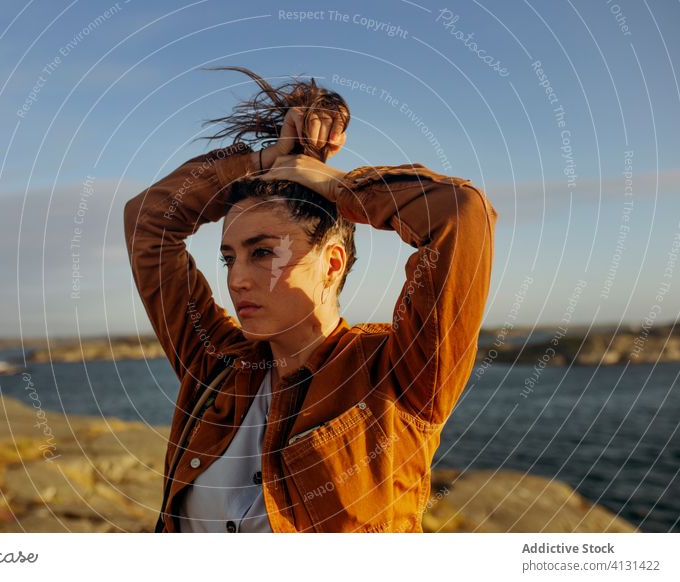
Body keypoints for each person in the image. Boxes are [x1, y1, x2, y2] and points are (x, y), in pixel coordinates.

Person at [123, 66, 498, 533]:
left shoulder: (398, 375)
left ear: (333, 263)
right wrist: (260, 163)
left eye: (263, 253)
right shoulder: (214, 362)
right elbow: (148, 221)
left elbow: (461, 216)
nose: (236, 280)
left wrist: (337, 185)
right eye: (228, 258)